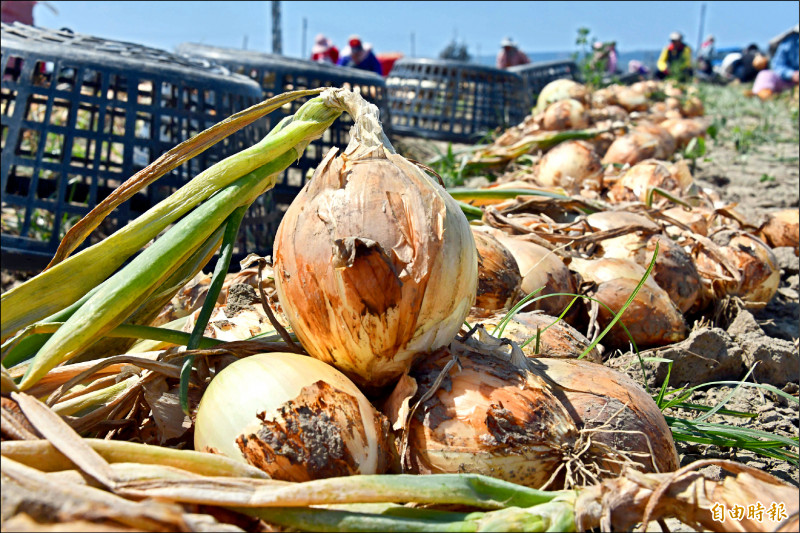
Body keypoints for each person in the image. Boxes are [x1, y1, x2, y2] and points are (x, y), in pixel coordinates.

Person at [752, 24, 799, 99]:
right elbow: (778, 65)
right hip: (788, 81)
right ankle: (763, 96)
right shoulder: (789, 42)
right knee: (765, 75)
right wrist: (791, 74)